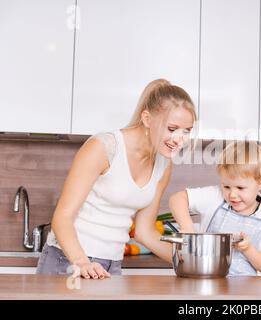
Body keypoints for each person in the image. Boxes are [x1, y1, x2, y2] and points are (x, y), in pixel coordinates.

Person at [36, 79, 196, 279]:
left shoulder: (164, 165)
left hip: (111, 264)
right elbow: (62, 218)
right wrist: (82, 262)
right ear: (147, 119)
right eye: (172, 129)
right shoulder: (104, 147)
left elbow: (145, 231)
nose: (179, 139)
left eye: (186, 131)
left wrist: (191, 264)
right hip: (69, 260)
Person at [168, 141, 261, 275]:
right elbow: (177, 199)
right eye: (226, 186)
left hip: (244, 292)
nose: (232, 195)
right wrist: (187, 228)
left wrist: (248, 250)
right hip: (206, 284)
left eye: (240, 188)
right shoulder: (216, 197)